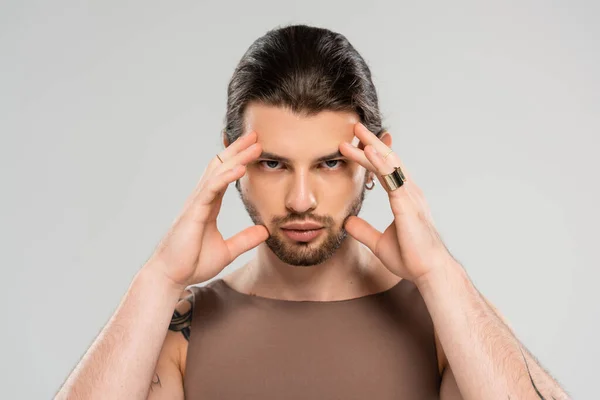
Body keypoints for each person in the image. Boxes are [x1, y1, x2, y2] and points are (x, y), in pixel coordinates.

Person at [55, 24, 570, 400]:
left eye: (329, 163)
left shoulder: (447, 318)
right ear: (232, 159)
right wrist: (160, 278)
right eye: (274, 163)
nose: (301, 199)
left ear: (375, 161)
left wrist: (437, 270)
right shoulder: (179, 329)